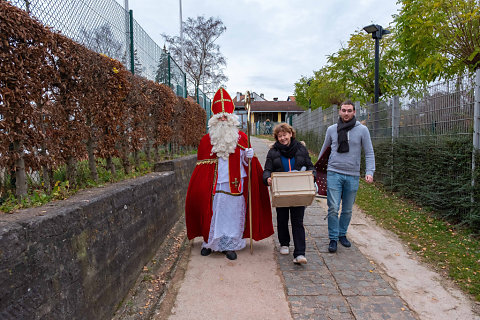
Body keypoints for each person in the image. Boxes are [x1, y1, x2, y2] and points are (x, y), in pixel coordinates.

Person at [185, 87, 273, 260]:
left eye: (226, 116)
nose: (223, 119)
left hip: (235, 183)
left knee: (232, 213)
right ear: (215, 119)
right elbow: (202, 168)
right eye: (220, 117)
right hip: (214, 185)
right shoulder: (207, 140)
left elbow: (248, 165)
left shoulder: (241, 137)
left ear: (231, 118)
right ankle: (210, 242)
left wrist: (248, 157)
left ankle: (230, 244)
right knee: (214, 212)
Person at [319, 100, 375, 253]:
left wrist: (369, 171)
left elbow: (369, 152)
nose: (346, 113)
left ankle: (342, 234)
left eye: (349, 110)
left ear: (354, 112)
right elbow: (324, 150)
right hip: (334, 172)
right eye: (343, 110)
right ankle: (333, 238)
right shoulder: (332, 129)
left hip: (352, 175)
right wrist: (316, 170)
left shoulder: (362, 130)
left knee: (347, 210)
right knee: (333, 208)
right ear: (339, 112)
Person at [263, 123, 315, 264]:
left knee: (298, 221)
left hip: (298, 190)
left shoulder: (301, 149)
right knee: (282, 218)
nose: (283, 138)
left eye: (285, 134)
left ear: (291, 134)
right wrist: (267, 178)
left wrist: (312, 175)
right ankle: (284, 243)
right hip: (281, 191)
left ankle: (299, 253)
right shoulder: (273, 152)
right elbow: (267, 169)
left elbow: (311, 166)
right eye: (279, 136)